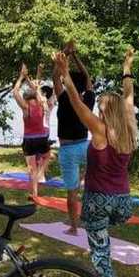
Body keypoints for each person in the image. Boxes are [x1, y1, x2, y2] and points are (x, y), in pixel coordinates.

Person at [54, 48, 138, 277]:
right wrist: (127, 67)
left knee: (100, 250)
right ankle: (106, 273)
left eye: (101, 108)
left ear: (105, 113)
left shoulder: (101, 131)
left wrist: (66, 75)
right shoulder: (129, 128)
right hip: (123, 202)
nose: (98, 112)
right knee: (103, 238)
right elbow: (129, 94)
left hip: (99, 201)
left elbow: (78, 105)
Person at [52, 40, 96, 235]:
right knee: (91, 187)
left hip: (68, 149)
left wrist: (65, 55)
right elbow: (88, 77)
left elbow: (55, 77)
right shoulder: (88, 99)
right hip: (86, 147)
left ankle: (74, 226)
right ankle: (90, 220)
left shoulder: (63, 97)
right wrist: (75, 56)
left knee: (72, 191)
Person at [12, 63, 50, 199]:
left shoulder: (25, 106)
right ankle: (40, 175)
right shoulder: (41, 103)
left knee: (31, 168)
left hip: (29, 140)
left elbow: (15, 92)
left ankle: (34, 192)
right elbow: (37, 88)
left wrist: (21, 77)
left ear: (26, 98)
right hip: (41, 138)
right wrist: (35, 74)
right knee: (47, 156)